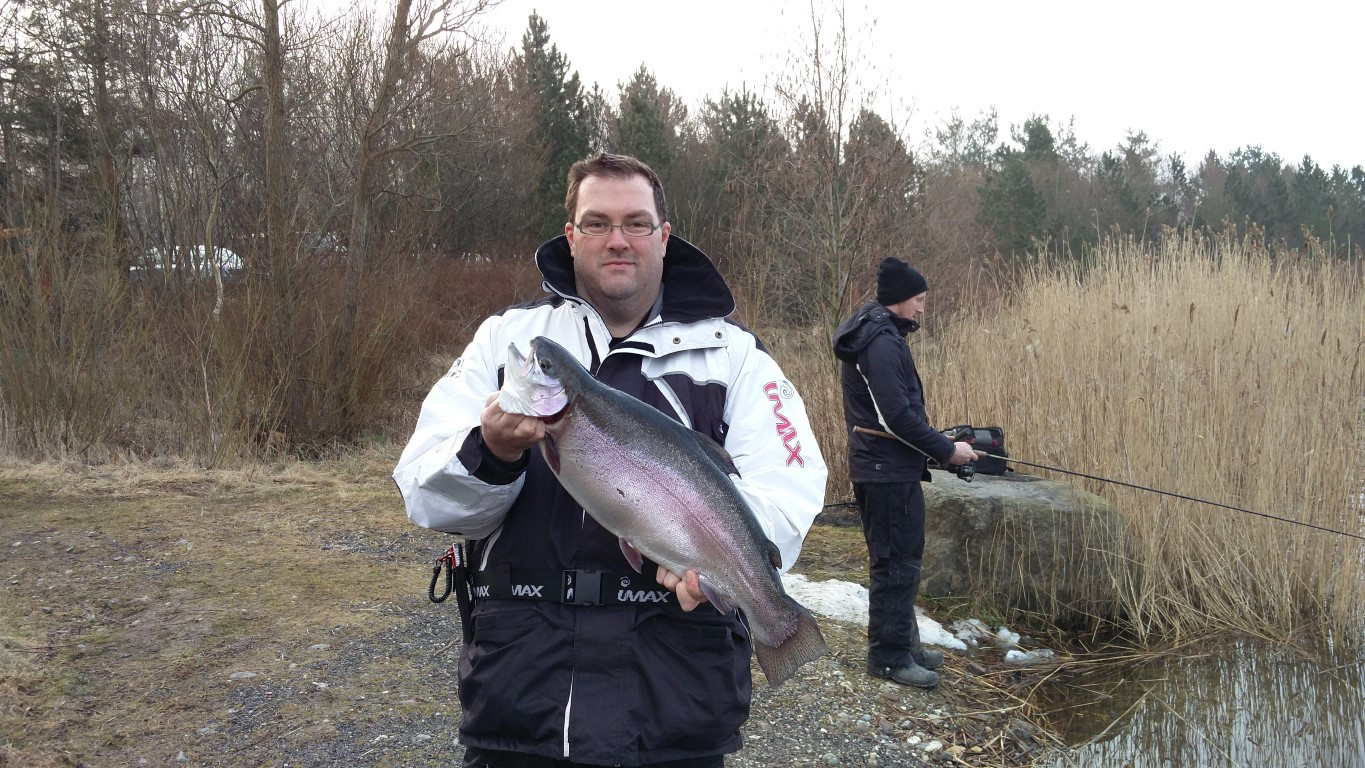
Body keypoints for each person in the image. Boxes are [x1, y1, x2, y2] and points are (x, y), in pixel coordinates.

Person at [392, 153, 828, 767]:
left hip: (674, 703)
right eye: (596, 223)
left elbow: (790, 488)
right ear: (570, 236)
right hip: (521, 695)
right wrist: (490, 451)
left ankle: (781, 629)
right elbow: (425, 493)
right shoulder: (508, 341)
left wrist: (711, 556)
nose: (617, 240)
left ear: (664, 236)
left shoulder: (735, 356)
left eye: (636, 223)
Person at [831, 256, 975, 690]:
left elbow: (894, 416)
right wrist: (947, 451)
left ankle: (906, 644)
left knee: (903, 561)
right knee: (895, 564)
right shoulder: (880, 342)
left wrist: (935, 449)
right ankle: (889, 657)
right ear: (900, 299)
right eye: (920, 299)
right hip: (884, 469)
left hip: (889, 467)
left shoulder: (884, 335)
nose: (923, 307)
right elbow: (895, 418)